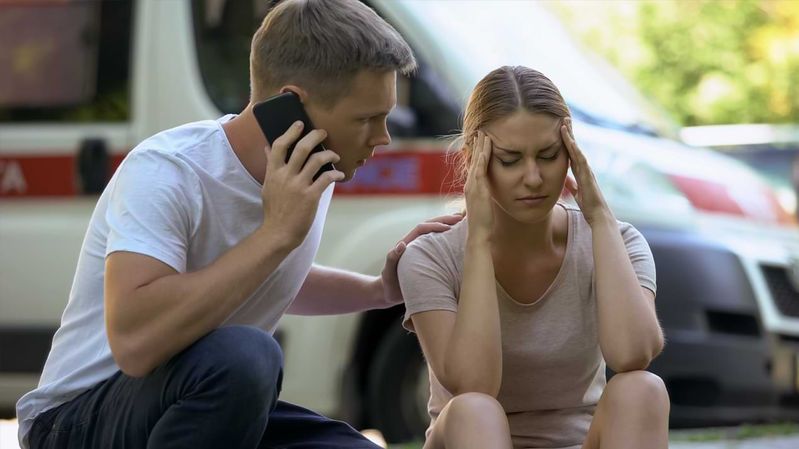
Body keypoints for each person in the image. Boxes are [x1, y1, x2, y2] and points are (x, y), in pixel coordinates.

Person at [16, 1, 461, 448]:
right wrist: (275, 236)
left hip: (198, 403)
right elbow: (135, 345)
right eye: (365, 119)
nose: (383, 138)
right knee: (248, 355)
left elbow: (267, 279)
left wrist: (379, 291)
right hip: (75, 421)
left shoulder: (306, 167)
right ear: (293, 105)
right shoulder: (168, 170)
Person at [397, 66, 670, 449]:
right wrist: (478, 240)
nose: (534, 177)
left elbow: (632, 353)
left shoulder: (617, 241)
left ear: (571, 153)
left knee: (642, 388)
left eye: (549, 155)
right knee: (474, 408)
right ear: (475, 160)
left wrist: (600, 218)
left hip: (578, 440)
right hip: (472, 438)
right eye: (510, 159)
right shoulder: (429, 257)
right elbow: (474, 383)